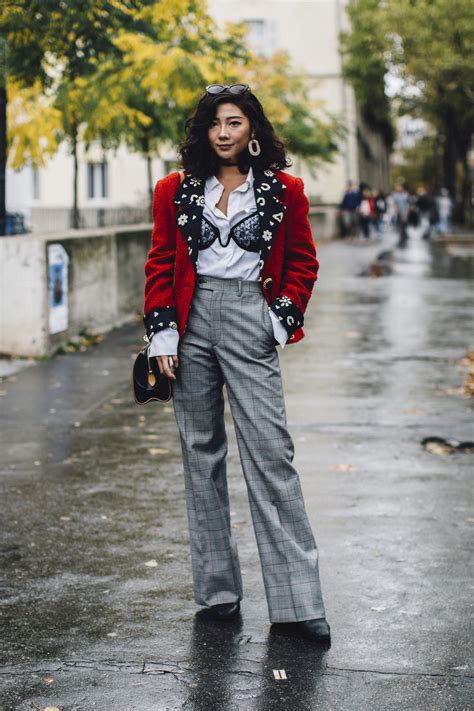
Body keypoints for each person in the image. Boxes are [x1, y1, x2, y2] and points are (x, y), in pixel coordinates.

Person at [143, 83, 330, 644]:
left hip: (252, 312)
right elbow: (160, 259)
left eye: (234, 123)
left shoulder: (284, 190)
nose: (223, 134)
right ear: (204, 131)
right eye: (215, 124)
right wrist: (163, 332)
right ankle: (218, 593)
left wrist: (278, 317)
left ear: (253, 129)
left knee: (271, 455)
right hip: (190, 316)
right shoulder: (175, 190)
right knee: (200, 453)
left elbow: (302, 261)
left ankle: (298, 604)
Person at [391, 183, 410, 247]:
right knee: (399, 226)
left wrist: (406, 213)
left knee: (404, 226)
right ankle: (402, 238)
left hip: (404, 213)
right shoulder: (394, 195)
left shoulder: (405, 195)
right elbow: (394, 204)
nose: (398, 188)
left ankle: (403, 239)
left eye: (399, 187)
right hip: (398, 214)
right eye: (397, 187)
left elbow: (408, 205)